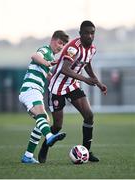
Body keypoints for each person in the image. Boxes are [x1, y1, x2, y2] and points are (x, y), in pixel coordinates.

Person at [38, 20, 107, 163]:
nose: (89, 36)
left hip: (72, 85)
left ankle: (87, 151)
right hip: (57, 87)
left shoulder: (92, 49)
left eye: (92, 33)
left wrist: (98, 83)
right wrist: (86, 80)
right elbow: (65, 69)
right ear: (80, 34)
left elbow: (86, 64)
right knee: (57, 126)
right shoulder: (73, 48)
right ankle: (45, 147)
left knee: (89, 116)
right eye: (86, 33)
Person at [19, 30, 69, 163]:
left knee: (43, 119)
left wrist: (52, 76)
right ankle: (49, 136)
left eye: (63, 45)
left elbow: (45, 73)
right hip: (31, 88)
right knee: (42, 115)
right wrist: (47, 64)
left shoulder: (51, 57)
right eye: (59, 43)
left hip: (35, 90)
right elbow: (35, 56)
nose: (60, 46)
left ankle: (28, 156)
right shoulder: (45, 50)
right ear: (53, 40)